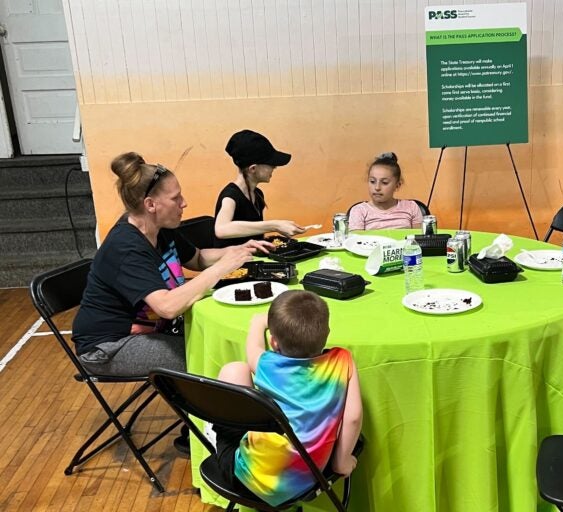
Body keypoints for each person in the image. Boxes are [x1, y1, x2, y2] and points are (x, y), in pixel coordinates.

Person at [72, 152, 272, 378]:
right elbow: (167, 307)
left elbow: (197, 258)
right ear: (150, 204)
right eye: (176, 198)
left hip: (150, 330)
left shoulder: (160, 228)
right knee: (217, 352)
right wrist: (220, 268)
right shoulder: (125, 247)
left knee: (222, 344)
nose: (184, 203)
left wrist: (239, 249)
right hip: (108, 347)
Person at [215, 290, 363, 506]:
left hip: (245, 478)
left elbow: (252, 350)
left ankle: (214, 431)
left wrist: (257, 323)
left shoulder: (268, 364)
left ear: (273, 342)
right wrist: (341, 462)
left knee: (234, 370)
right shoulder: (342, 360)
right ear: (327, 332)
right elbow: (353, 418)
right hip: (308, 478)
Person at [214, 130, 307, 247]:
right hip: (233, 263)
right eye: (270, 164)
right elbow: (221, 229)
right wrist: (274, 225)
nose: (275, 167)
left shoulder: (257, 194)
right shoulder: (231, 196)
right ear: (253, 169)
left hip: (253, 258)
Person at [348, 152, 424, 230]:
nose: (377, 187)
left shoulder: (411, 207)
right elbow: (356, 240)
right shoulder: (359, 211)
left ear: (397, 185)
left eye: (384, 183)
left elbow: (418, 240)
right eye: (372, 181)